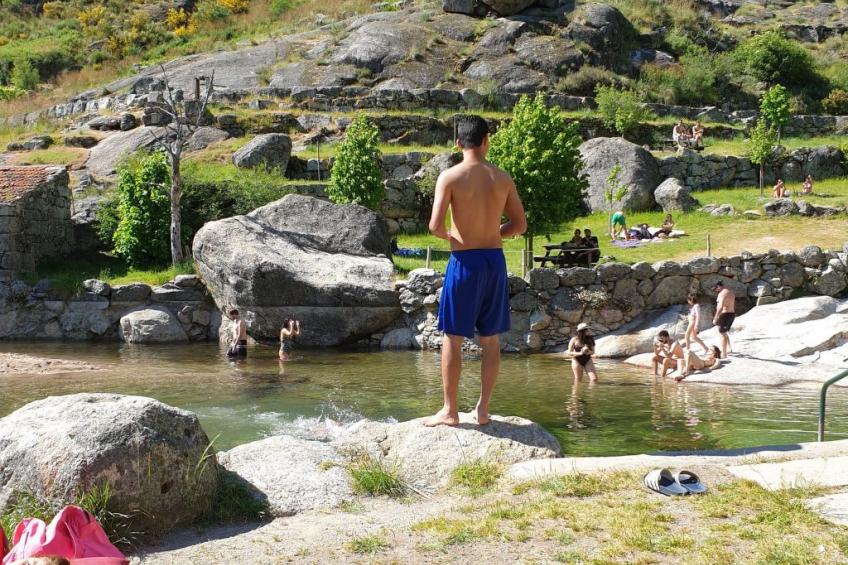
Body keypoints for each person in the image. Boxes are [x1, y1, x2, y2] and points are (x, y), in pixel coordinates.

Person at [425, 114, 527, 427]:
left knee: (453, 337)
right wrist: (496, 233)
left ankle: (450, 411)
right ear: (486, 141)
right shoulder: (503, 178)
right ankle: (483, 409)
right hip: (494, 261)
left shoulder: (450, 177)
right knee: (491, 339)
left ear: (458, 143)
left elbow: (435, 226)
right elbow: (520, 225)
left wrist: (454, 236)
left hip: (464, 262)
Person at [712, 280, 735, 358]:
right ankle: (729, 348)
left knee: (722, 334)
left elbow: (720, 307)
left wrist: (715, 317)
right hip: (731, 314)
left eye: (715, 289)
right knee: (724, 332)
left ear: (718, 286)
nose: (715, 291)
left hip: (725, 314)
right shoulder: (730, 292)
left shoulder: (722, 294)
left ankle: (724, 354)